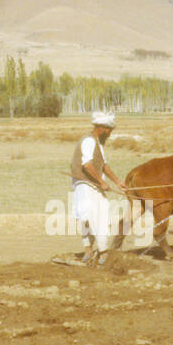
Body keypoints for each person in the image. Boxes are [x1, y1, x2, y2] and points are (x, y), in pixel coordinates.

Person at [70, 112, 127, 265]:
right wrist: (102, 182)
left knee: (90, 217)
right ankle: (102, 253)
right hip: (86, 184)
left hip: (91, 184)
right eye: (110, 131)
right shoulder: (89, 141)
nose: (110, 135)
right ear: (103, 128)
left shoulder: (97, 143)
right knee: (97, 216)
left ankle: (89, 252)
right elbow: (87, 164)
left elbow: (104, 165)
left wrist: (117, 182)